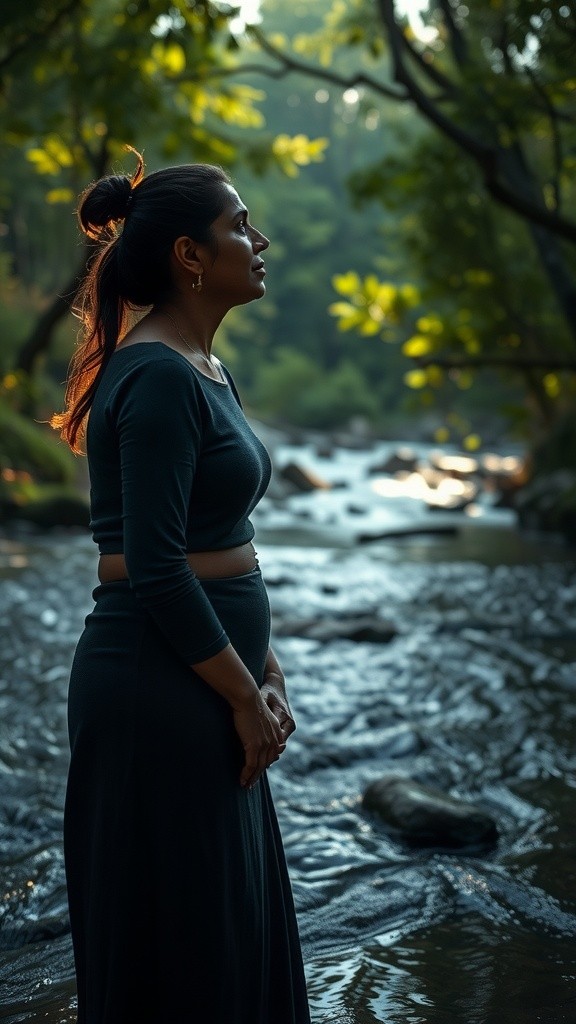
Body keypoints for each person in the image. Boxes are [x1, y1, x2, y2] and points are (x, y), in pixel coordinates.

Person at [52, 151, 311, 1024]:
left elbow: (221, 540)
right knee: (184, 946)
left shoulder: (201, 365)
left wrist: (264, 668)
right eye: (240, 224)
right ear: (191, 257)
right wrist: (243, 696)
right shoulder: (159, 374)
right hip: (156, 690)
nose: (259, 238)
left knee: (226, 930)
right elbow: (155, 566)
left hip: (204, 679)